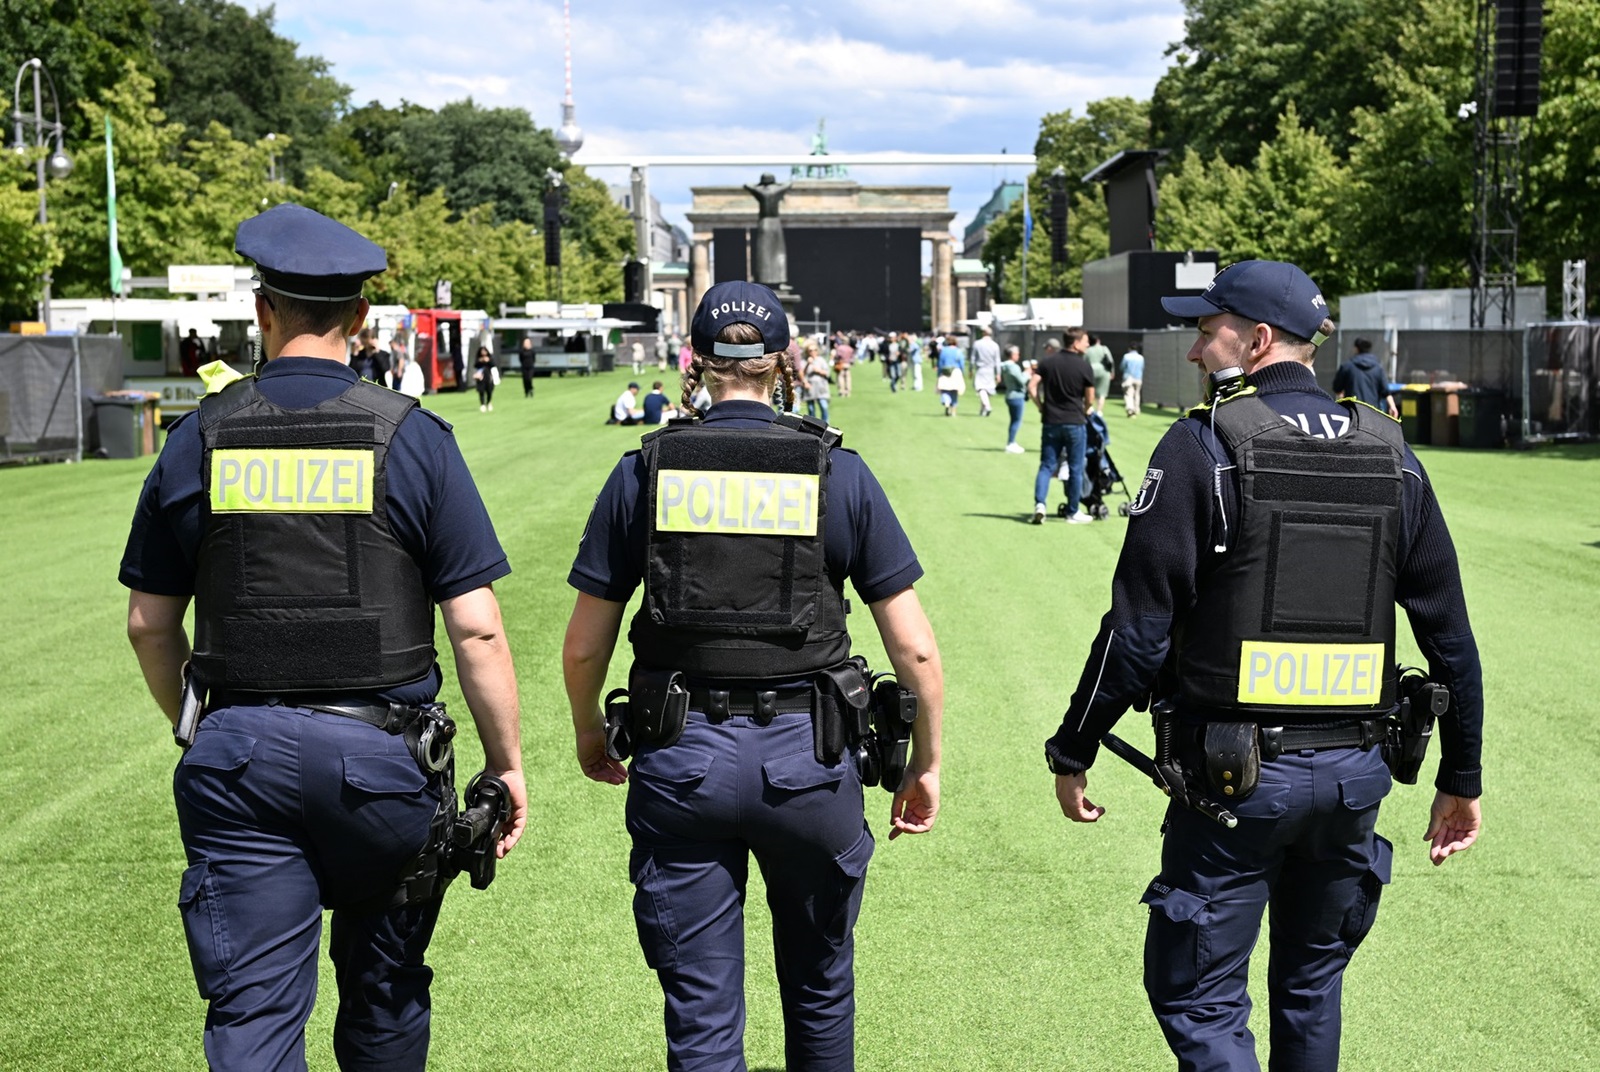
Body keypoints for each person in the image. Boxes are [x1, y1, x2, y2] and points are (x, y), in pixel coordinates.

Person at [1044, 260, 1483, 1072]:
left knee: (1201, 999)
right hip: (1355, 776)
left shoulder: (1202, 446)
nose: (1196, 348)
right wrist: (1464, 775)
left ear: (1258, 339)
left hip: (1234, 786)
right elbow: (1449, 633)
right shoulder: (1392, 453)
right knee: (1312, 987)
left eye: (1207, 331)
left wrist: (1074, 746)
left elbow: (1137, 633)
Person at [118, 203, 526, 1071]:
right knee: (382, 1003)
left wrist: (198, 725)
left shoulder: (198, 437)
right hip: (382, 766)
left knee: (253, 1019)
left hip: (236, 758)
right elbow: (478, 628)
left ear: (263, 312)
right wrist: (507, 764)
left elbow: (150, 624)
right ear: (363, 320)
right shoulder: (413, 437)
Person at [562, 280, 943, 1072]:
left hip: (680, 758)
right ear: (786, 363)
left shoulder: (645, 470)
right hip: (811, 758)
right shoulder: (838, 471)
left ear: (696, 362)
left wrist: (589, 732)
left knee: (700, 1014)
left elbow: (582, 649)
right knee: (820, 988)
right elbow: (915, 653)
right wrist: (927, 762)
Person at [1027, 330, 1096, 524]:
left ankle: (1040, 505)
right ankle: (1072, 511)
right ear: (1075, 343)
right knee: (1075, 467)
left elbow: (1032, 387)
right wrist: (1085, 409)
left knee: (1046, 466)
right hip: (1075, 422)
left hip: (1051, 422)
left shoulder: (1047, 362)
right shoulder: (1084, 366)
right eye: (1085, 342)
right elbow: (1090, 397)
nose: (1087, 345)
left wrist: (1041, 407)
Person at [1332, 337, 1398, 418]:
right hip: (1373, 413)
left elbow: (1337, 388)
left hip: (1352, 413)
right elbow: (1386, 392)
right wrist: (1393, 406)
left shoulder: (1347, 367)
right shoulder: (1378, 368)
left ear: (1356, 349)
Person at [999, 345, 1029, 453]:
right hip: (1017, 396)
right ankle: (1011, 442)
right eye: (1017, 353)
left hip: (1009, 395)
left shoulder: (1004, 366)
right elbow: (1021, 381)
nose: (1019, 355)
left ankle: (1011, 441)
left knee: (1013, 421)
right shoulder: (1014, 367)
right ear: (1012, 355)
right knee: (1016, 421)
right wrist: (1027, 373)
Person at [971, 325, 1001, 417]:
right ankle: (982, 410)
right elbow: (997, 360)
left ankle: (987, 406)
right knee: (986, 389)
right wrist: (998, 373)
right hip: (990, 370)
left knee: (981, 388)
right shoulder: (995, 345)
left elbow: (973, 358)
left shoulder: (977, 343)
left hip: (981, 369)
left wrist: (971, 368)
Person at [1085, 334, 1115, 417]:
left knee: (1090, 390)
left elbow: (1084, 361)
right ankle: (1099, 411)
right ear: (1098, 340)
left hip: (1090, 371)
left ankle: (1090, 408)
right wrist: (1112, 372)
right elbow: (1110, 361)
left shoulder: (1088, 350)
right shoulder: (1104, 349)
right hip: (1104, 371)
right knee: (1102, 393)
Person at [803, 340, 834, 423]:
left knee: (824, 406)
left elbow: (827, 373)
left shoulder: (821, 360)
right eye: (810, 350)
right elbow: (802, 374)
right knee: (811, 409)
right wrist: (807, 364)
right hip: (810, 387)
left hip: (821, 387)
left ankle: (825, 424)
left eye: (815, 350)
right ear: (807, 352)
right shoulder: (805, 361)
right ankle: (812, 425)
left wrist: (819, 371)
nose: (813, 352)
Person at [935, 335, 966, 416]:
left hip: (945, 372)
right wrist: (963, 373)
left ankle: (946, 403)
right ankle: (954, 409)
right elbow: (962, 364)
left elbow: (940, 363)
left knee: (945, 390)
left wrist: (938, 373)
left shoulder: (943, 351)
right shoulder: (958, 351)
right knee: (954, 391)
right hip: (956, 371)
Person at [1120, 344, 1145, 417]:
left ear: (1129, 348)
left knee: (1128, 394)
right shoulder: (1141, 357)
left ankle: (1130, 409)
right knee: (1137, 394)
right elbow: (1142, 367)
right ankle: (1136, 409)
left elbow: (1122, 366)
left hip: (1128, 377)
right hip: (1138, 378)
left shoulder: (1126, 356)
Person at [472, 345, 499, 411]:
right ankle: (482, 404)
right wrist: (480, 361)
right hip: (480, 377)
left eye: (485, 351)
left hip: (488, 377)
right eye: (482, 351)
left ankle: (489, 402)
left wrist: (488, 361)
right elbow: (475, 365)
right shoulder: (478, 358)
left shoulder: (490, 358)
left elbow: (494, 365)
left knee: (489, 391)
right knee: (481, 391)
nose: (483, 352)